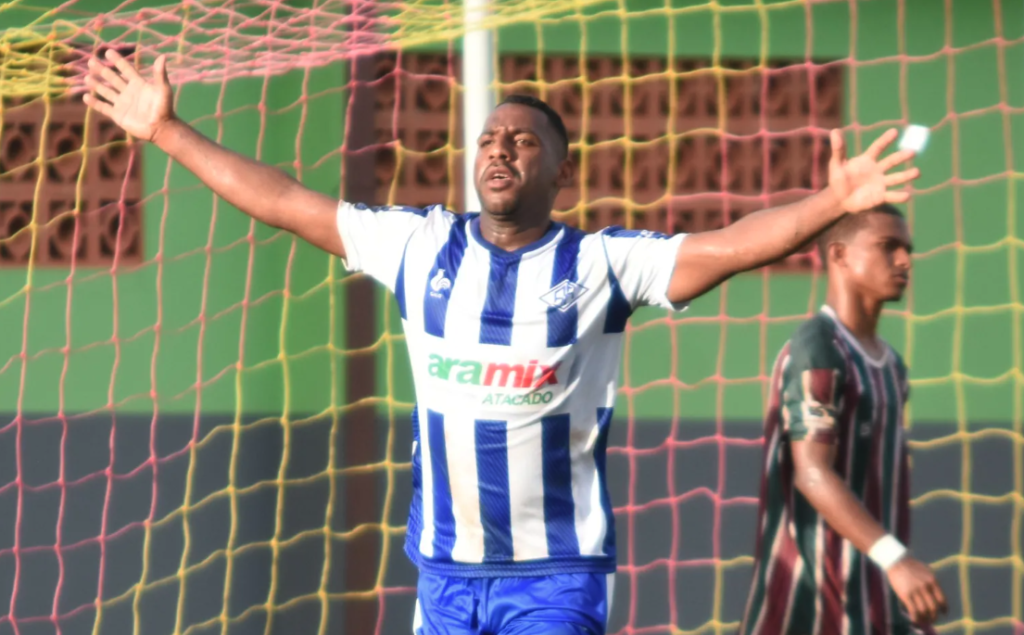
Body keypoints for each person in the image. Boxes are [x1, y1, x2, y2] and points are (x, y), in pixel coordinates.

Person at [83, 50, 920, 635]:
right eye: (489, 137)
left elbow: (735, 244)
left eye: (524, 140)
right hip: (444, 575)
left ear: (561, 169)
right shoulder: (417, 244)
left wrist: (824, 204)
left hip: (555, 577)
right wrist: (165, 131)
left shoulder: (600, 263)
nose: (500, 148)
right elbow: (283, 200)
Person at [739, 204, 948, 635]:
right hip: (809, 599)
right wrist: (896, 558)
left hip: (877, 595)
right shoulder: (819, 347)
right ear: (838, 255)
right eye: (888, 247)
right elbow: (811, 470)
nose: (905, 260)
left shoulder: (892, 366)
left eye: (906, 249)